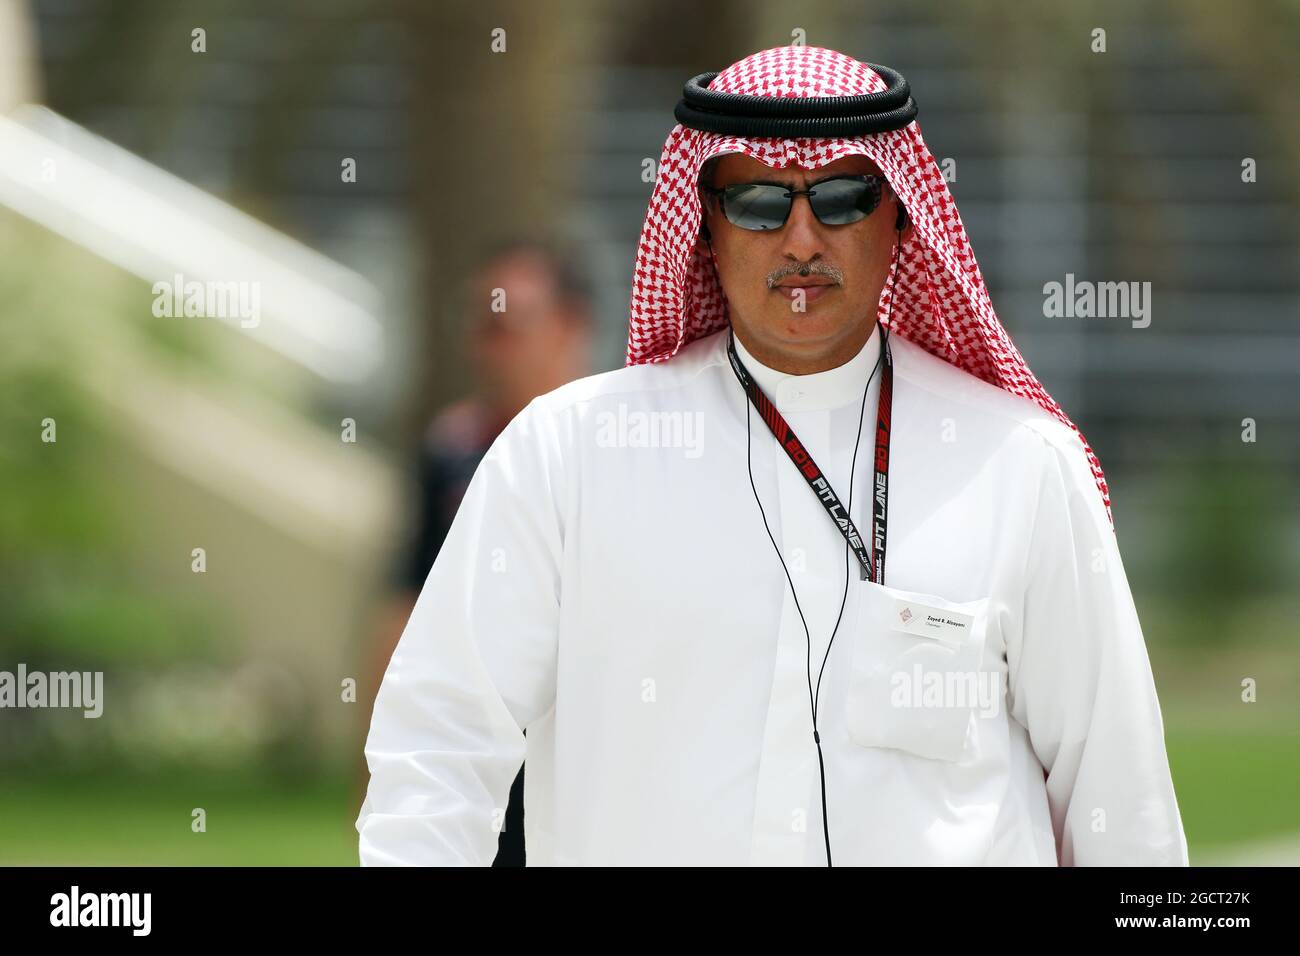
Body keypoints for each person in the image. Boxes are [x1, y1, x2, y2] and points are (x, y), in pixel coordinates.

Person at [356, 46, 1188, 866]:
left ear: (898, 214)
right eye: (757, 201)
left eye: (841, 197)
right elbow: (439, 754)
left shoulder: (1020, 464)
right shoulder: (565, 456)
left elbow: (1119, 805)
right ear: (706, 224)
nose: (800, 239)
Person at [360, 239, 593, 866]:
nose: (489, 347)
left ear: (571, 324)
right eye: (481, 326)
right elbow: (407, 603)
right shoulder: (453, 449)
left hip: (584, 757)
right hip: (479, 752)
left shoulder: (614, 449)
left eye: (508, 326)